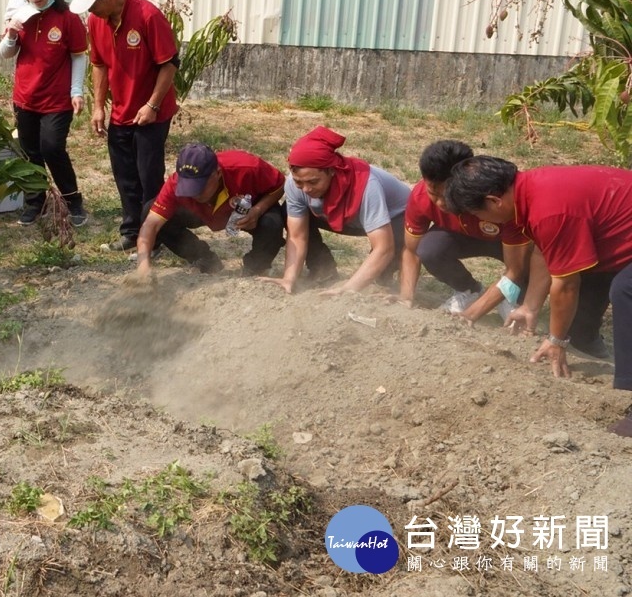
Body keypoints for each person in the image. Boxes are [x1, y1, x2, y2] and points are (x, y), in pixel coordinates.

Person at [443, 156, 629, 436]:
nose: (479, 220)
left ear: (494, 201)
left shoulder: (548, 209)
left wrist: (556, 340)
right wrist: (530, 306)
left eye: (477, 214)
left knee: (626, 291)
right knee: (608, 294)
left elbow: (566, 285)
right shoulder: (530, 190)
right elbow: (546, 251)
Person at [70, 0, 179, 251]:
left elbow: (169, 65)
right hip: (120, 112)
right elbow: (99, 64)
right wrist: (98, 107)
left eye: (92, 4)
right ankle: (131, 232)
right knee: (125, 175)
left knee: (148, 177)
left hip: (151, 114)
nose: (89, 11)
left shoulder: (147, 16)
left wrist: (152, 105)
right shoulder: (96, 21)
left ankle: (153, 238)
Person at [263, 126, 409, 294]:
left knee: (376, 281)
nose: (306, 189)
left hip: (397, 217)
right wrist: (288, 278)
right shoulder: (295, 185)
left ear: (332, 171)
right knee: (288, 210)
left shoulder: (367, 186)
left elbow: (384, 248)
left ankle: (384, 281)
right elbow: (297, 236)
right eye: (299, 182)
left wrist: (348, 289)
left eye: (313, 182)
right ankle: (322, 269)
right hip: (350, 218)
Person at [396, 140, 531, 323]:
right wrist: (405, 298)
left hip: (507, 241)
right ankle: (469, 290)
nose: (441, 203)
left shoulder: (497, 201)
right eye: (433, 195)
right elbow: (411, 251)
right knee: (428, 249)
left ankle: (512, 300)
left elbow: (516, 269)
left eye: (447, 195)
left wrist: (471, 315)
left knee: (529, 261)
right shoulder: (420, 197)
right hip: (462, 236)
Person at [136, 142, 316, 277]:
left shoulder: (247, 167)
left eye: (200, 187)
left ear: (218, 173)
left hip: (245, 211)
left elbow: (279, 185)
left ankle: (256, 267)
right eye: (188, 188)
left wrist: (258, 210)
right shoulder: (175, 183)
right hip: (201, 213)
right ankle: (204, 259)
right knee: (148, 211)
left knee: (272, 223)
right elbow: (150, 225)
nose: (195, 193)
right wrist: (143, 267)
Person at [0, 0, 89, 227]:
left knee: (52, 148)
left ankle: (73, 201)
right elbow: (5, 53)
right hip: (25, 98)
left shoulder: (67, 17)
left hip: (56, 100)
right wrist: (11, 34)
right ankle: (34, 202)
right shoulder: (20, 13)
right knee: (30, 152)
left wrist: (77, 91)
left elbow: (78, 56)